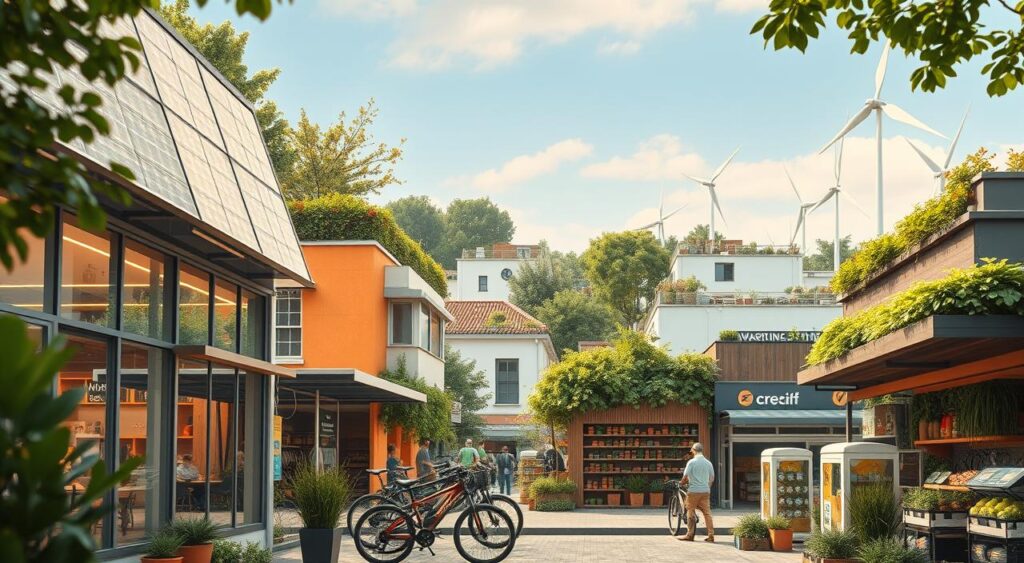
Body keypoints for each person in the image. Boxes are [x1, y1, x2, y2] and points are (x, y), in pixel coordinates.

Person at [680, 442, 715, 543]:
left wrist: (681, 483)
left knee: (690, 511)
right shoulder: (708, 463)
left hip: (693, 491)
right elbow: (712, 478)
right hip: (705, 491)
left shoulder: (691, 462)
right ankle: (711, 535)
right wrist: (706, 487)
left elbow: (685, 477)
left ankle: (690, 535)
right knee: (707, 513)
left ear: (693, 451)